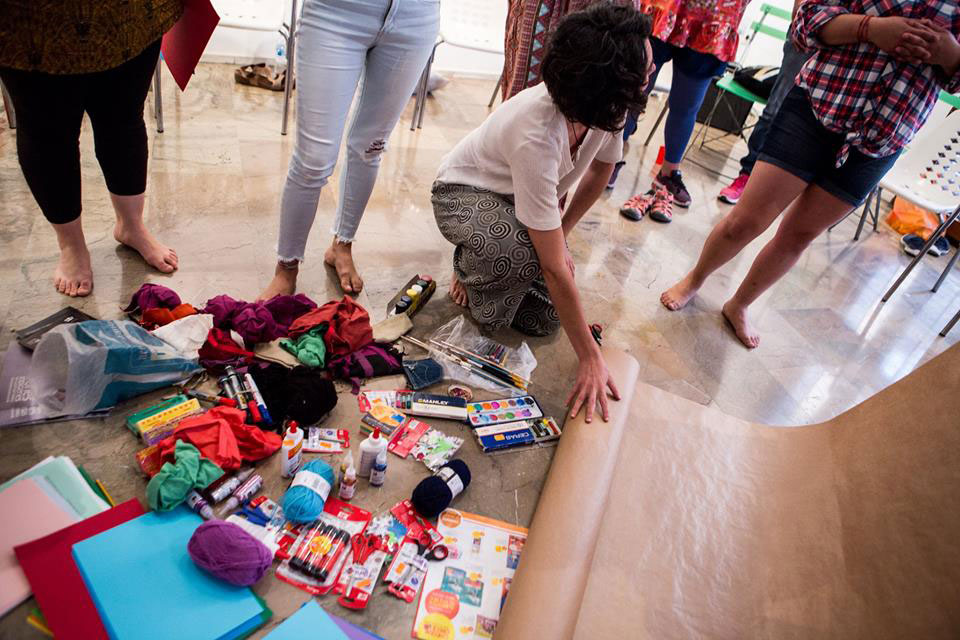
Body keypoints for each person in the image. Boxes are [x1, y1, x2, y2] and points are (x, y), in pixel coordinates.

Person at [661, 0, 960, 349]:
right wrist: (871, 29)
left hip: (884, 137)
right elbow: (805, 21)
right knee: (745, 221)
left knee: (798, 236)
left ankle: (739, 304)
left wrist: (951, 54)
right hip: (817, 106)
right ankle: (695, 279)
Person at [432, 3, 655, 422]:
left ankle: (496, 264)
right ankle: (468, 262)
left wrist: (562, 233)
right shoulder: (536, 131)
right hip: (465, 193)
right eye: (646, 67)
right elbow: (553, 268)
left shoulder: (608, 105)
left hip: (523, 201)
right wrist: (589, 356)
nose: (652, 71)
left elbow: (603, 168)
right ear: (610, 82)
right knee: (514, 255)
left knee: (545, 318)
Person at [0, 0, 182, 297]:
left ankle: (131, 226)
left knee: (124, 115)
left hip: (130, 11)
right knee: (48, 131)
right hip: (33, 18)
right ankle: (71, 245)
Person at [259, 0, 439, 300]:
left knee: (370, 148)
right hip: (337, 11)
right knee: (313, 160)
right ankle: (286, 267)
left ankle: (342, 245)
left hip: (415, 16)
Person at [609, 0, 751, 208]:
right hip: (667, 7)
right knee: (636, 87)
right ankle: (610, 156)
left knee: (687, 105)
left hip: (715, 16)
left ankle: (668, 173)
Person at [717, 0, 813, 205]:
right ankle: (746, 177)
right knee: (775, 112)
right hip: (809, 35)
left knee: (819, 127)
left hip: (851, 55)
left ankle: (797, 195)